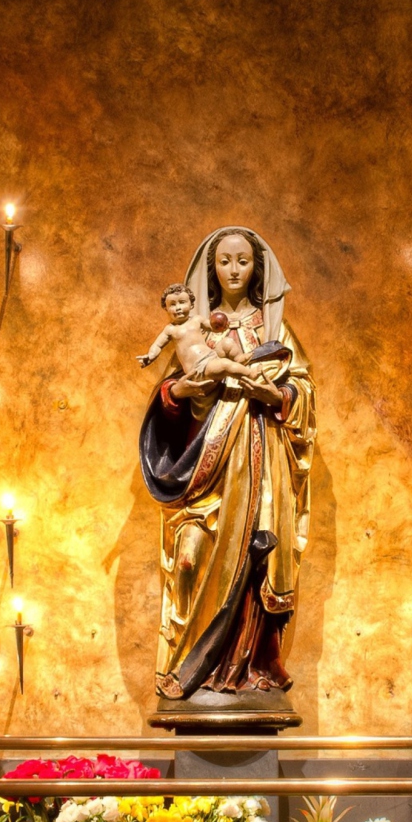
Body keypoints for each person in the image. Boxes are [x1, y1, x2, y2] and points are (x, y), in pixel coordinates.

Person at [137, 227, 316, 701]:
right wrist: (182, 392)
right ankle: (199, 672)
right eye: (224, 262)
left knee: (259, 558)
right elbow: (174, 389)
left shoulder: (274, 329)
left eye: (243, 261)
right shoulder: (194, 324)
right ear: (210, 269)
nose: (234, 270)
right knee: (195, 558)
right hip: (209, 465)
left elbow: (303, 391)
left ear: (257, 267)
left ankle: (253, 668)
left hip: (264, 463)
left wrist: (276, 394)